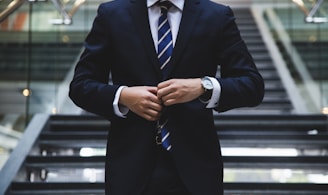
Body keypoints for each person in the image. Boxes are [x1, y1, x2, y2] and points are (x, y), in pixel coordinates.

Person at [69, 0, 264, 194]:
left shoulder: (217, 15)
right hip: (130, 167)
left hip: (197, 169)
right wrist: (123, 96)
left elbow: (252, 85)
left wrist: (203, 86)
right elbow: (80, 86)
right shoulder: (111, 13)